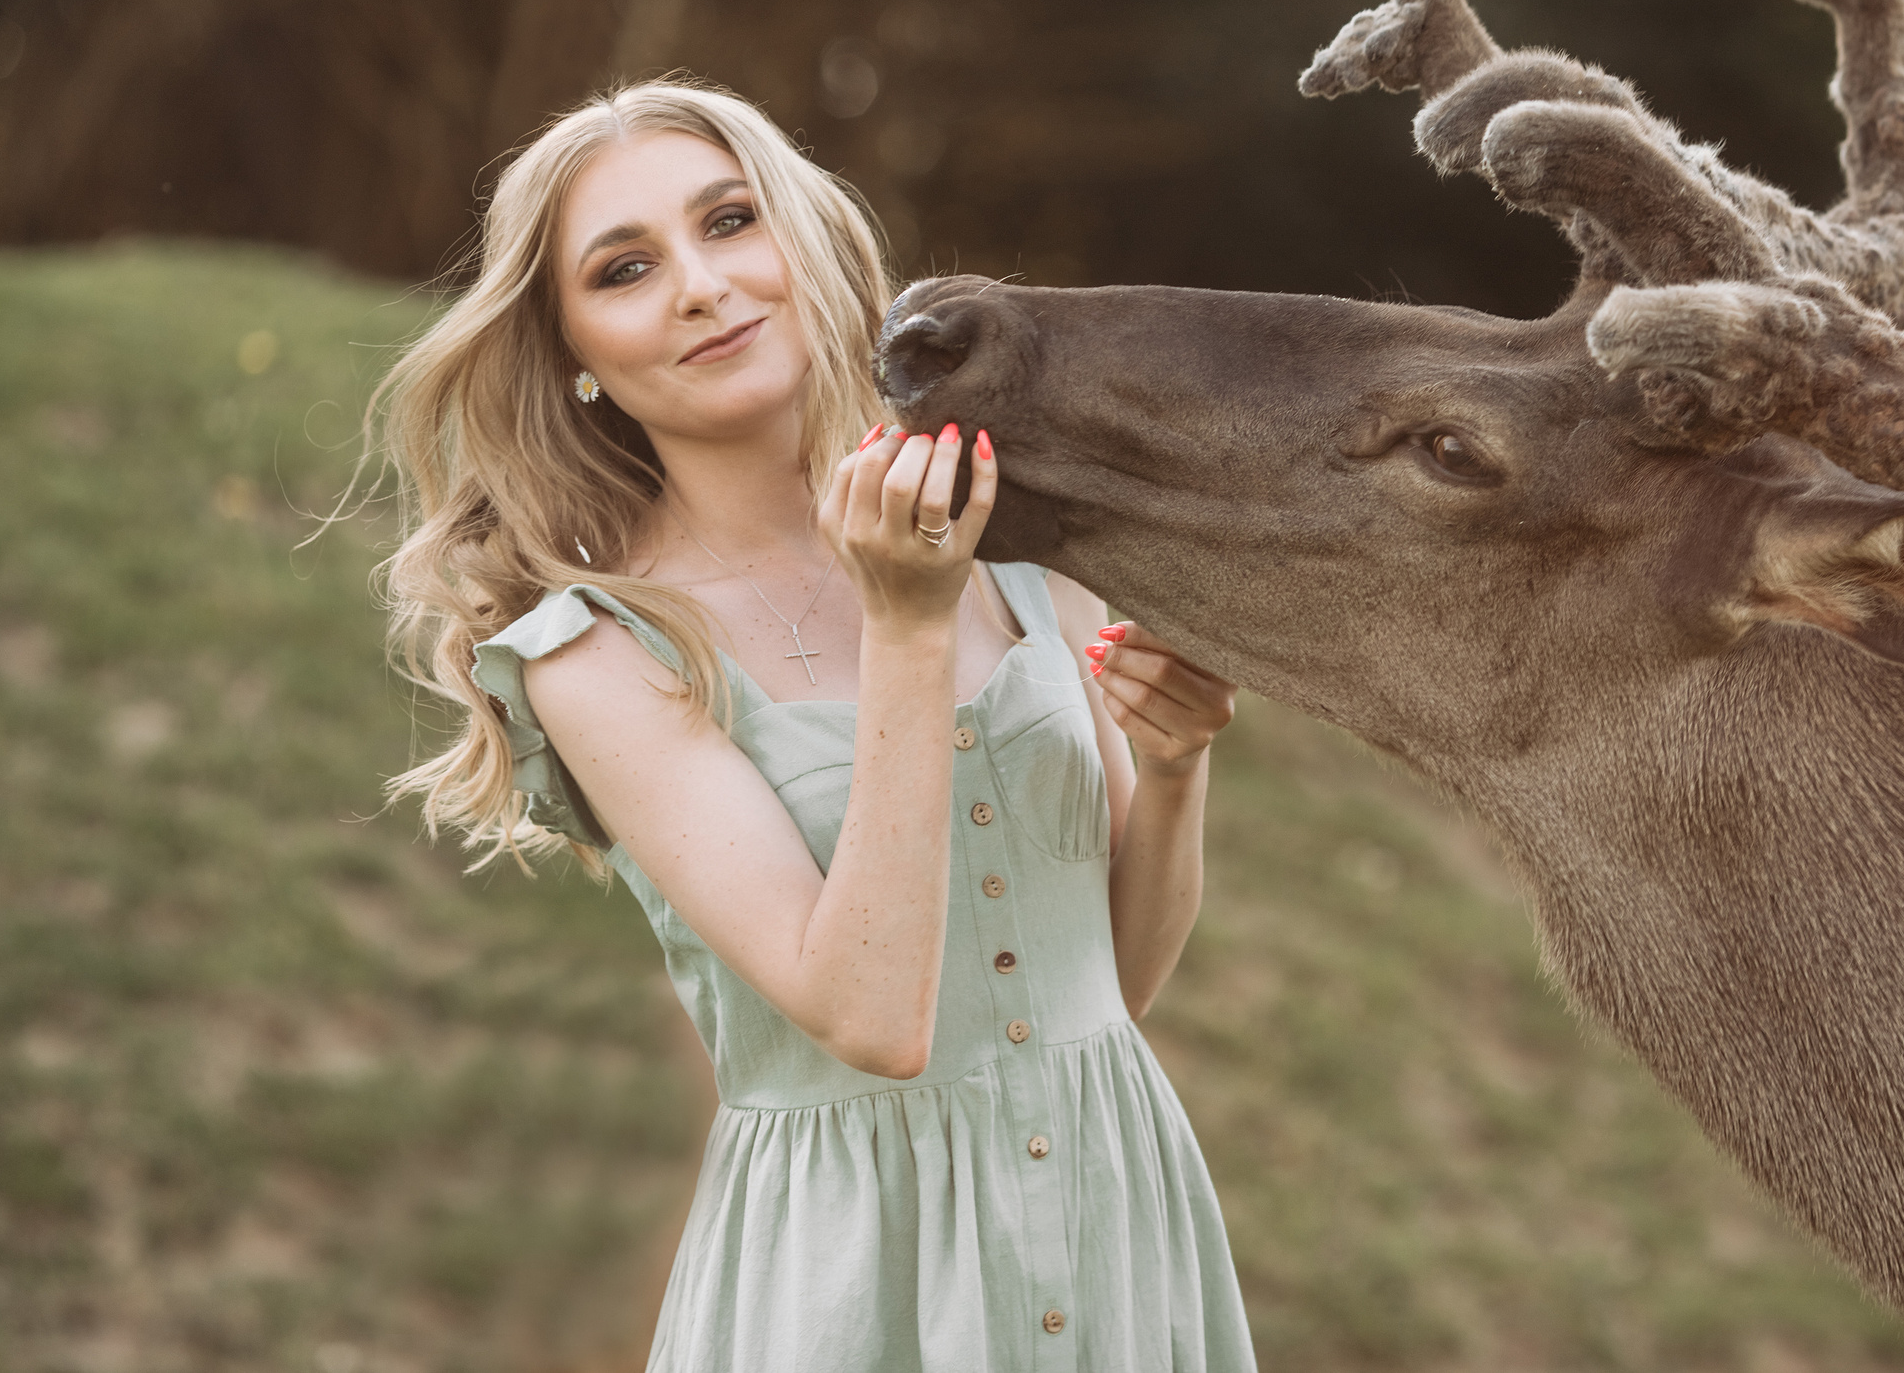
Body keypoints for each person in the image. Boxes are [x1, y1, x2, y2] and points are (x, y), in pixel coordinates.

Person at [374, 79, 1258, 1372]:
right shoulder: (600, 655)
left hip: (1120, 1229)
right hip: (856, 1285)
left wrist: (1174, 770)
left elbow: (1110, 982)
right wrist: (908, 628)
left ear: (803, 238)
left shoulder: (1014, 530)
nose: (698, 284)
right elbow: (873, 1017)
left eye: (729, 221)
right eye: (625, 269)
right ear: (571, 350)